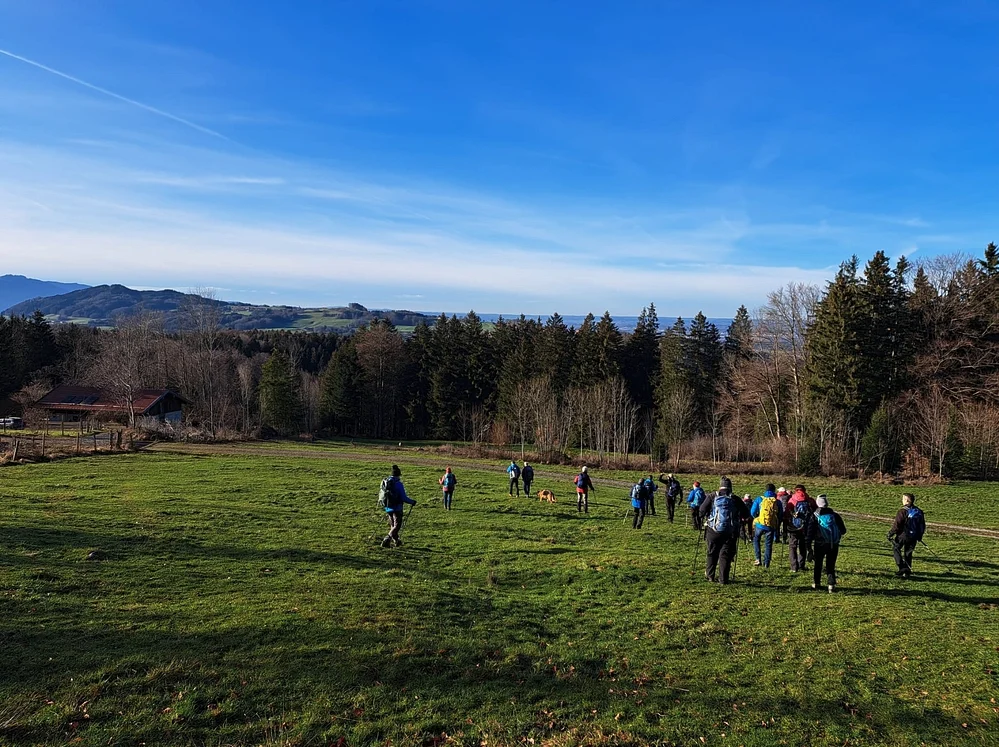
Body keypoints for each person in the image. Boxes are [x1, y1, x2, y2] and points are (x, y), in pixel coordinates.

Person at [698, 481, 752, 584]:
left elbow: (701, 510)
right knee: (725, 555)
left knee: (712, 552)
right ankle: (723, 579)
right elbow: (746, 514)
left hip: (713, 530)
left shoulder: (712, 496)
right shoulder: (735, 499)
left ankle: (710, 576)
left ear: (720, 486)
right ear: (730, 487)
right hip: (730, 531)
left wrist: (705, 516)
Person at [806, 494, 847, 592]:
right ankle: (831, 585)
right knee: (830, 564)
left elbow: (810, 532)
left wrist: (809, 546)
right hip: (833, 544)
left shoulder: (815, 515)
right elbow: (843, 530)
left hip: (820, 544)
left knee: (818, 563)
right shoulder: (835, 515)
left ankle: (817, 583)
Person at [887, 493, 925, 578]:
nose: (902, 500)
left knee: (896, 549)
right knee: (908, 553)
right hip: (914, 536)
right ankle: (907, 572)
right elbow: (922, 525)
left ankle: (901, 568)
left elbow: (897, 525)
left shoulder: (902, 511)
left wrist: (890, 533)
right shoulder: (919, 511)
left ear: (907, 500)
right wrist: (919, 536)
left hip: (903, 535)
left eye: (903, 499)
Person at [381, 465, 416, 548]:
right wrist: (412, 502)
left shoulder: (386, 482)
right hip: (397, 507)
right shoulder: (398, 484)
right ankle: (387, 539)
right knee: (397, 526)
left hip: (387, 507)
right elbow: (403, 497)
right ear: (398, 475)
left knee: (393, 525)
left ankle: (397, 541)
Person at [750, 484, 782, 568]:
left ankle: (758, 559)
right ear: (774, 491)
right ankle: (766, 563)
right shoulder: (777, 501)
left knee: (756, 539)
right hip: (770, 526)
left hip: (759, 524)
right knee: (768, 544)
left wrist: (757, 518)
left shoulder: (759, 499)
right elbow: (780, 515)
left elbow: (752, 512)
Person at [786, 487, 814, 572]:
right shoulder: (809, 500)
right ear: (804, 490)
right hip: (805, 526)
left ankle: (794, 567)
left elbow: (787, 511)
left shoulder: (792, 499)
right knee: (803, 546)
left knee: (792, 546)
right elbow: (815, 510)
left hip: (794, 527)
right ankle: (801, 565)